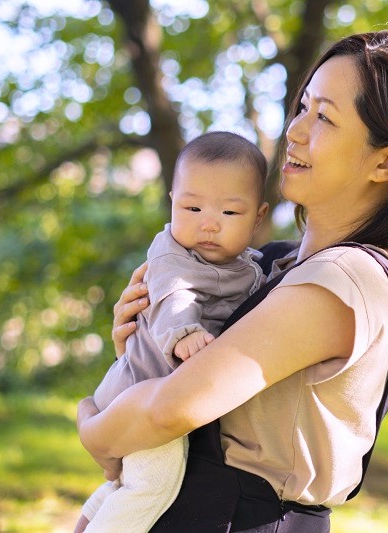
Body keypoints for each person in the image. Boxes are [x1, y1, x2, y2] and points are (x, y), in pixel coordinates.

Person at [77, 30, 388, 532]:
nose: (295, 131)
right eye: (302, 107)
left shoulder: (344, 280)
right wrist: (146, 337)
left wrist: (93, 427)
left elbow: (171, 409)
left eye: (324, 117)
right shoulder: (272, 264)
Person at [74, 131, 270, 532]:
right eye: (192, 207)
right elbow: (172, 298)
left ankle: (92, 515)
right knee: (154, 486)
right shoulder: (170, 255)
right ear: (172, 203)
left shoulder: (249, 268)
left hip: (160, 395)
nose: (209, 224)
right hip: (141, 388)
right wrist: (184, 334)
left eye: (230, 213)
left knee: (137, 479)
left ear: (258, 218)